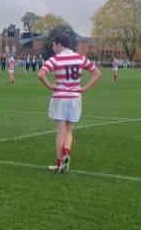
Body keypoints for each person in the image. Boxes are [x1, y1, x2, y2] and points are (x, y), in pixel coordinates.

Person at [37, 33, 103, 173]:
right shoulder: (80, 58)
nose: (53, 48)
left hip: (60, 97)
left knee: (60, 131)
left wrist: (50, 86)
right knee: (69, 130)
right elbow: (97, 73)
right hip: (75, 98)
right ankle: (67, 151)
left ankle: (59, 162)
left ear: (60, 45)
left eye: (54, 45)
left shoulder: (55, 59)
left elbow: (41, 74)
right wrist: (84, 88)